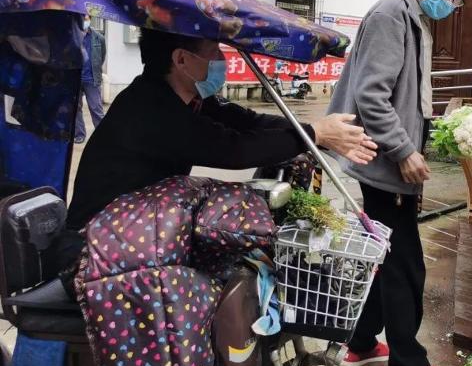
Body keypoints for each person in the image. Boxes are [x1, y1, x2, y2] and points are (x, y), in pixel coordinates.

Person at [58, 28, 377, 292]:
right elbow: (233, 149)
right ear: (181, 59)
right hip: (97, 244)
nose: (222, 61)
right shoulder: (149, 108)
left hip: (141, 231)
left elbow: (250, 122)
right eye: (214, 52)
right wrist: (316, 133)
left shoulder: (189, 98)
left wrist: (311, 133)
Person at [328, 0, 472, 366]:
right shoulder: (393, 14)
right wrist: (405, 150)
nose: (449, 2)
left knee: (385, 256)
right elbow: (372, 96)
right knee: (405, 267)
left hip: (391, 164)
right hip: (387, 166)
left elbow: (404, 94)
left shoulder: (413, 18)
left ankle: (361, 343)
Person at [74, 14, 106, 143]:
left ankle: (103, 135)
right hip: (75, 78)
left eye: (86, 18)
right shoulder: (74, 36)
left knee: (96, 108)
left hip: (91, 79)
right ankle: (79, 134)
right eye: (82, 18)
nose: (84, 21)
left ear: (90, 20)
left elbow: (102, 56)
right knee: (76, 108)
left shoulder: (99, 38)